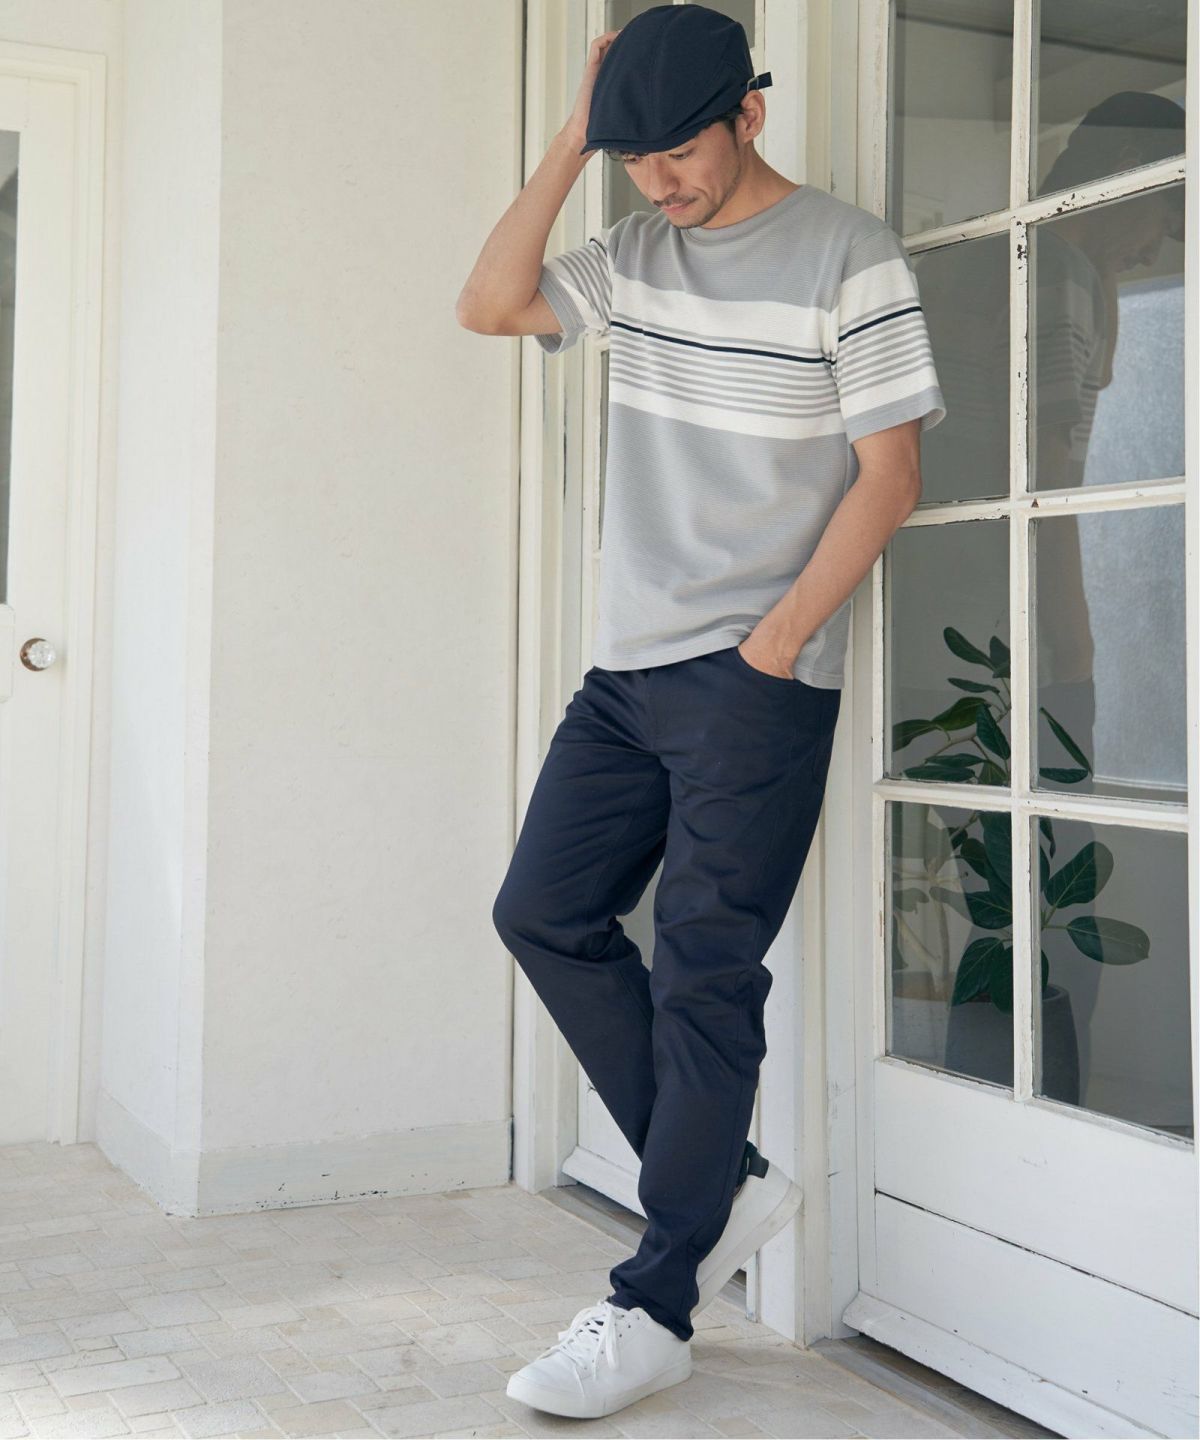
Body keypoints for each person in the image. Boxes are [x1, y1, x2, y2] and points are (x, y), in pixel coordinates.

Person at [456, 3, 945, 1420]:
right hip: (627, 670)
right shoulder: (632, 255)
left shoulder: (851, 254)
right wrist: (574, 139)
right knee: (542, 912)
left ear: (751, 114)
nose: (660, 182)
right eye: (637, 159)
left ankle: (654, 1303)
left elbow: (891, 476)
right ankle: (718, 1183)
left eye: (680, 151)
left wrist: (776, 646)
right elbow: (489, 302)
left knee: (705, 974)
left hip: (753, 676)